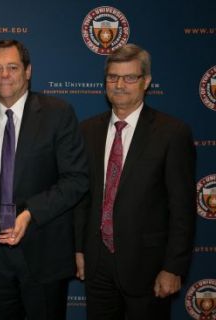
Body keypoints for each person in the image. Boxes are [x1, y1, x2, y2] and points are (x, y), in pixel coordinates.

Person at [0, 39, 88, 319]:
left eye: (12, 67)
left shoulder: (58, 113)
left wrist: (30, 212)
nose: (4, 75)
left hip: (44, 250)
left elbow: (76, 179)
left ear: (27, 71)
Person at [74, 44, 196, 320]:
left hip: (149, 267)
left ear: (147, 81)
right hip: (98, 264)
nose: (120, 85)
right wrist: (79, 249)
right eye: (113, 77)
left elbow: (182, 208)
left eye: (130, 77)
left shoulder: (172, 133)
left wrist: (173, 267)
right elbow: (83, 197)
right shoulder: (87, 130)